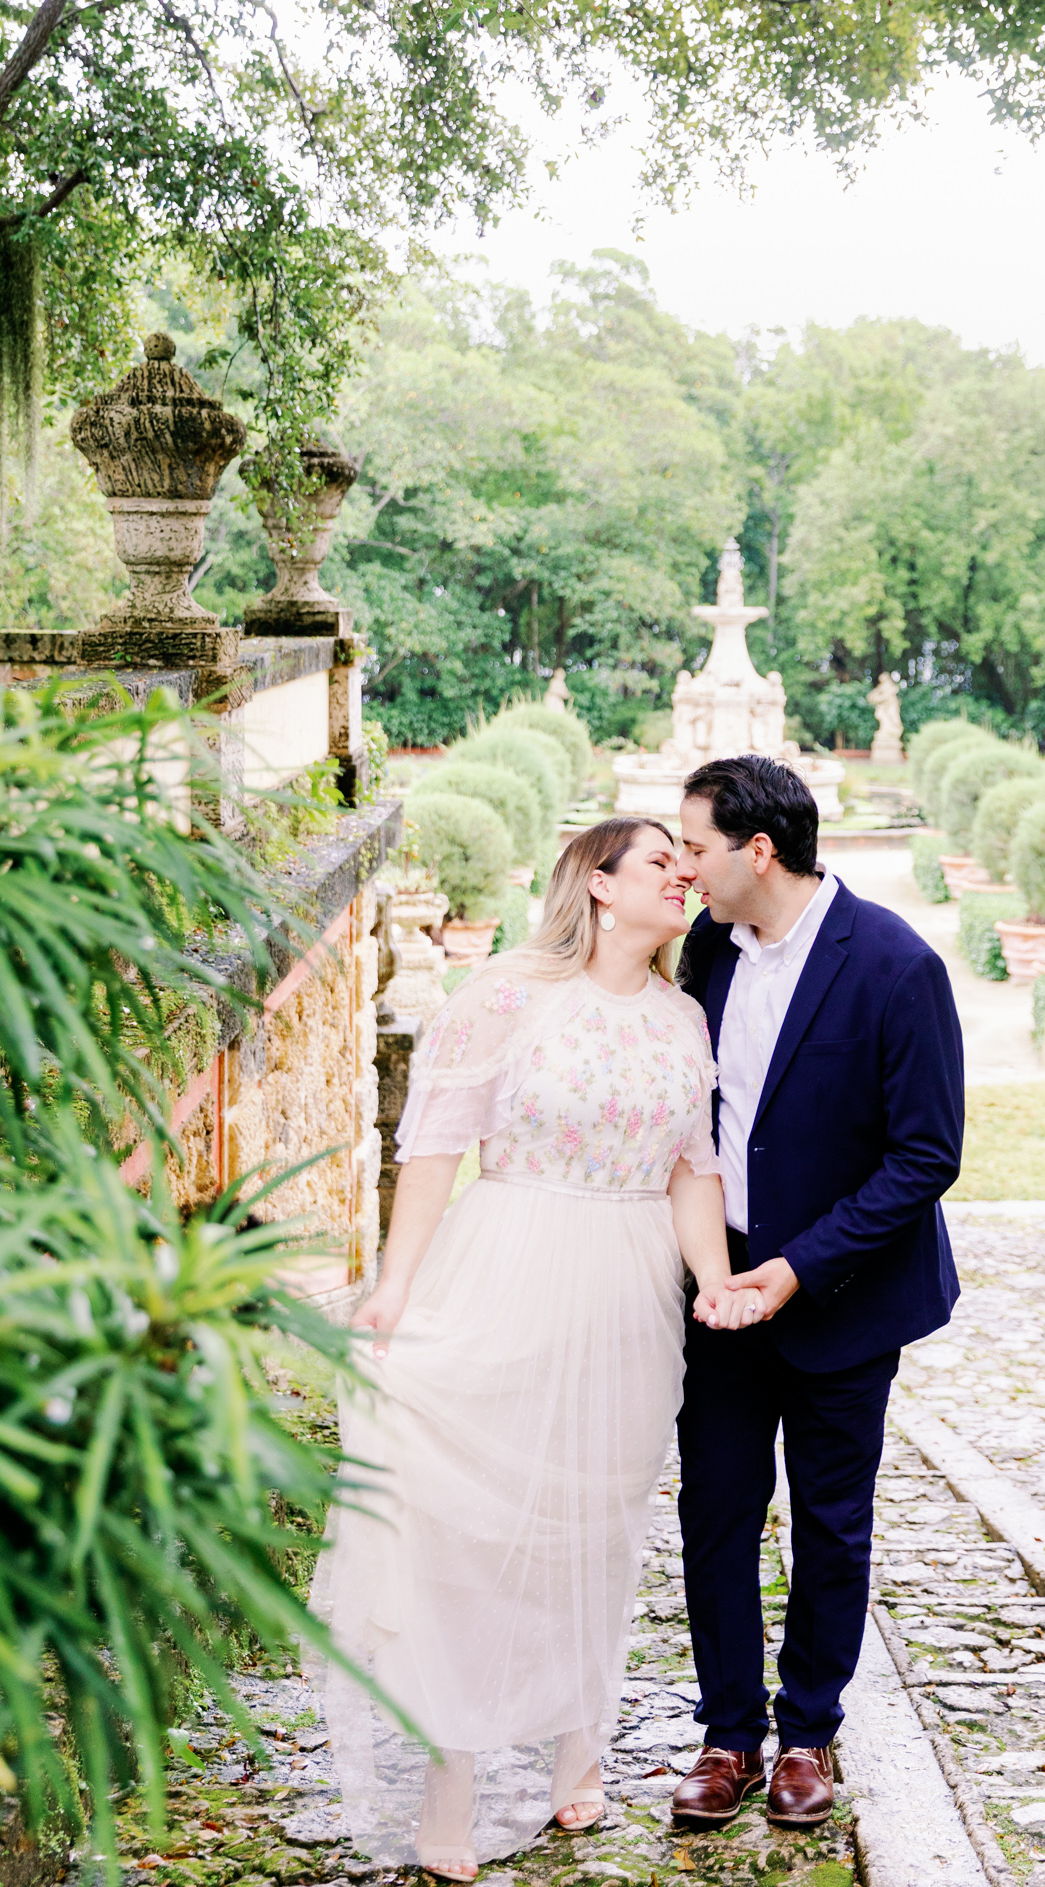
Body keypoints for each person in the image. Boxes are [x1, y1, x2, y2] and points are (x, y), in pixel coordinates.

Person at [311, 819, 759, 1878]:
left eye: (686, 863)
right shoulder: (505, 995)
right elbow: (432, 1148)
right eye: (661, 862)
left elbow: (692, 1168)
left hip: (627, 1290)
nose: (683, 875)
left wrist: (713, 1279)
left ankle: (578, 1748)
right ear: (599, 885)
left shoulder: (683, 1020)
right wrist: (395, 1286)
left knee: (593, 1526)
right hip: (510, 1258)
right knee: (476, 1531)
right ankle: (453, 1773)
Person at [670, 755, 964, 1829]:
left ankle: (808, 1736)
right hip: (718, 1289)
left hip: (840, 1294)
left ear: (758, 850)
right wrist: (724, 1270)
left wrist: (798, 1267)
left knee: (833, 1523)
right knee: (714, 1512)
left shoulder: (895, 965)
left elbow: (926, 1155)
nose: (683, 865)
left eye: (695, 845)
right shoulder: (706, 949)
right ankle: (727, 1734)